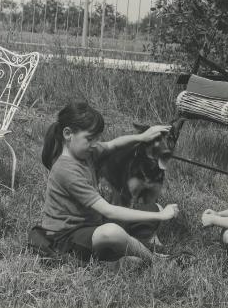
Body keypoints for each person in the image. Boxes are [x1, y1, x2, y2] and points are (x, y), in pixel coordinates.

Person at [35, 101, 179, 265]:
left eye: (97, 138)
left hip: (92, 224)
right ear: (68, 134)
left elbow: (113, 144)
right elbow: (109, 211)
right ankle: (155, 261)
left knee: (155, 208)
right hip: (65, 238)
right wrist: (161, 216)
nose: (95, 143)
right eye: (90, 138)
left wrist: (141, 137)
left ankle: (115, 257)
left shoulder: (86, 152)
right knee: (112, 232)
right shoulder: (65, 169)